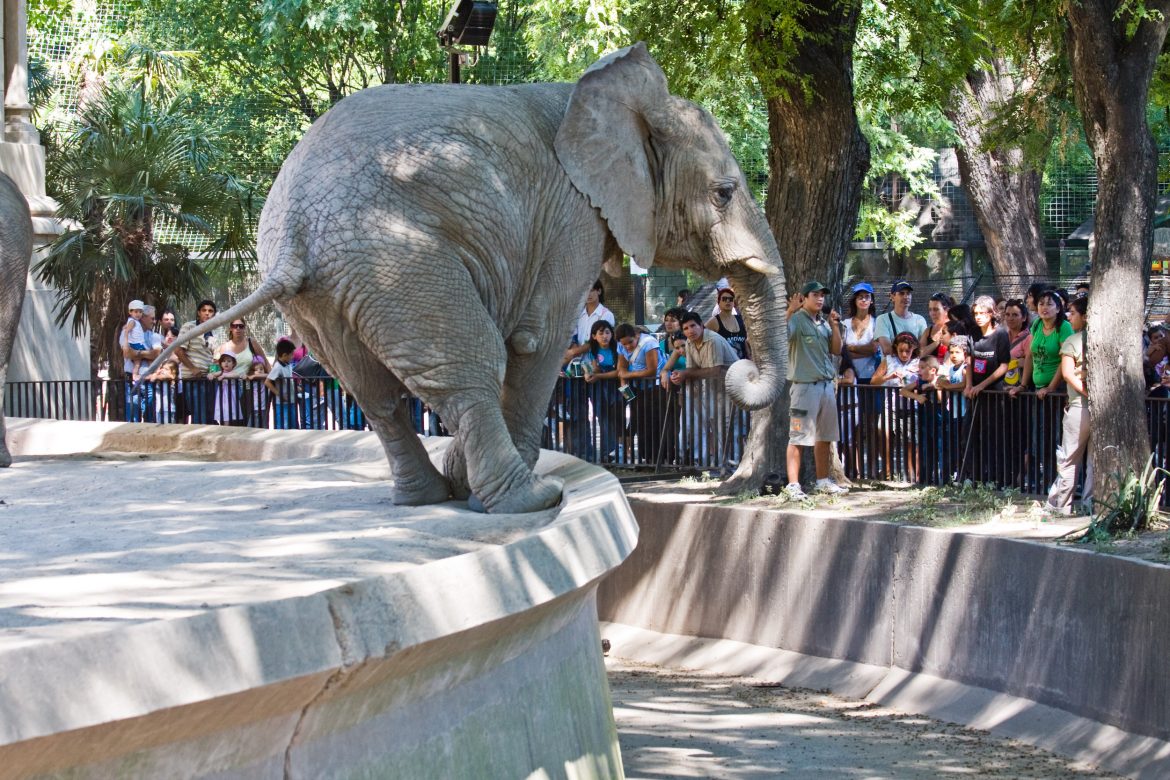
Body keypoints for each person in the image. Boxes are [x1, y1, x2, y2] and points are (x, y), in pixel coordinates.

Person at [784, 281, 846, 499]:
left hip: (826, 386)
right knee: (798, 436)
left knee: (825, 437)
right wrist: (790, 311)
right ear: (804, 297)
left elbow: (836, 350)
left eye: (822, 295)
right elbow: (783, 337)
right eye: (815, 295)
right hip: (804, 388)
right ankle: (793, 485)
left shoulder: (823, 323)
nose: (820, 299)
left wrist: (835, 325)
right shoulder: (797, 320)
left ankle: (822, 481)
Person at [663, 312, 740, 466]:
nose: (690, 330)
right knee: (714, 426)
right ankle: (720, 463)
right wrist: (679, 377)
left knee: (728, 427)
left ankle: (733, 463)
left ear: (701, 325)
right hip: (712, 389)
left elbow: (714, 370)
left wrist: (685, 374)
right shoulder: (690, 343)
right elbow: (692, 369)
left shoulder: (712, 340)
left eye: (693, 326)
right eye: (685, 328)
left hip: (731, 387)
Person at [1044, 296, 1092, 515]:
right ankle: (1091, 506)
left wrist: (1086, 394)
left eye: (1072, 313)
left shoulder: (1073, 341)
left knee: (1068, 458)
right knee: (1093, 460)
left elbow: (1067, 373)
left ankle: (1060, 505)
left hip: (1079, 408)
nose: (1069, 317)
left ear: (1085, 316)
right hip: (1092, 407)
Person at [1010, 289, 1073, 400]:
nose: (1044, 307)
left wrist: (1051, 388)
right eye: (1041, 304)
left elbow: (1066, 359)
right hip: (1038, 388)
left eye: (1049, 304)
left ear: (1058, 309)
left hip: (1058, 390)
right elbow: (1030, 356)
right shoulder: (1037, 324)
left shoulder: (1064, 327)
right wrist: (1022, 386)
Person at [616, 323, 661, 463]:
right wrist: (626, 390)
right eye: (624, 345)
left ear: (636, 336)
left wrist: (628, 375)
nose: (628, 347)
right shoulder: (621, 346)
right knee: (637, 421)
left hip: (655, 387)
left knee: (651, 422)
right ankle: (641, 457)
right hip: (637, 387)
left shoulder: (648, 343)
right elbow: (621, 369)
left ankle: (652, 458)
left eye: (630, 342)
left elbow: (651, 370)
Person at [175, 300, 220, 424]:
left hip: (208, 381)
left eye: (210, 311)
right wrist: (193, 369)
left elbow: (214, 359)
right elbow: (178, 350)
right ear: (198, 313)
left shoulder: (214, 334)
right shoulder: (189, 326)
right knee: (199, 416)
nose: (207, 313)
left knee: (209, 416)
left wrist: (214, 374)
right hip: (192, 380)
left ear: (214, 314)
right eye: (204, 310)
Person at [583, 320, 620, 460]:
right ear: (594, 336)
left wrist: (598, 375)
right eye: (601, 333)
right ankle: (607, 452)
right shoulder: (593, 351)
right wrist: (588, 373)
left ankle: (617, 450)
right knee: (603, 419)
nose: (605, 336)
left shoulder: (618, 348)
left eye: (607, 332)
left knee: (616, 419)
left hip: (616, 388)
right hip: (599, 389)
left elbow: (618, 371)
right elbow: (592, 367)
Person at [121, 305, 162, 422]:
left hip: (149, 381)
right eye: (152, 318)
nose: (154, 322)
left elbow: (156, 354)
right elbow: (127, 354)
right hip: (132, 382)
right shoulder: (126, 332)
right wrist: (147, 353)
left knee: (151, 420)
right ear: (142, 317)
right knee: (133, 420)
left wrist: (137, 353)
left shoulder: (154, 336)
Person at [564, 279, 615, 364]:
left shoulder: (606, 314)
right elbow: (574, 335)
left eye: (591, 290)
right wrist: (574, 346)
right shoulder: (578, 314)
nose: (588, 294)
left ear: (599, 291)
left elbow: (599, 339)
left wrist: (574, 352)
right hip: (576, 362)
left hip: (597, 363)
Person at [875, 280, 928, 356]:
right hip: (892, 366)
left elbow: (923, 348)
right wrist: (912, 352)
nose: (906, 297)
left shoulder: (920, 320)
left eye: (908, 293)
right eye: (901, 293)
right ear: (892, 296)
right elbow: (886, 349)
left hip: (913, 367)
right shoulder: (883, 319)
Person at [705, 286, 750, 360]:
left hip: (744, 365)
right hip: (725, 367)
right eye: (724, 299)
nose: (728, 301)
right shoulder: (714, 321)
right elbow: (700, 336)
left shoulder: (741, 319)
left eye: (730, 299)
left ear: (734, 302)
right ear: (718, 302)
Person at [265, 338, 299, 429]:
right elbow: (267, 382)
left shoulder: (288, 365)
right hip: (281, 403)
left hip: (290, 400)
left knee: (293, 425)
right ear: (284, 355)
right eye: (291, 354)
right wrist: (279, 394)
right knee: (283, 425)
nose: (293, 356)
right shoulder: (278, 367)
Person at [211, 352, 245, 426]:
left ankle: (227, 428)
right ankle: (224, 427)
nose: (226, 363)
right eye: (224, 361)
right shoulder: (220, 372)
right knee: (222, 412)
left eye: (229, 361)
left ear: (233, 363)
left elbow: (236, 375)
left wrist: (224, 376)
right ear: (221, 363)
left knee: (229, 412)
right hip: (222, 397)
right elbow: (212, 374)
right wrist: (210, 375)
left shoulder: (233, 372)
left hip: (230, 396)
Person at [920, 292, 954, 359]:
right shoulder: (928, 331)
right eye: (930, 310)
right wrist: (938, 342)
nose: (932, 313)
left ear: (947, 311)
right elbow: (920, 354)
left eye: (936, 309)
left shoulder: (954, 329)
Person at [123, 299, 147, 381]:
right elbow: (127, 331)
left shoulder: (134, 321)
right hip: (136, 344)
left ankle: (135, 375)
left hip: (137, 343)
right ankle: (135, 375)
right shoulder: (133, 322)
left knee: (138, 362)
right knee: (138, 362)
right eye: (136, 312)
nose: (138, 314)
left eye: (140, 312)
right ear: (130, 312)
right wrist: (126, 342)